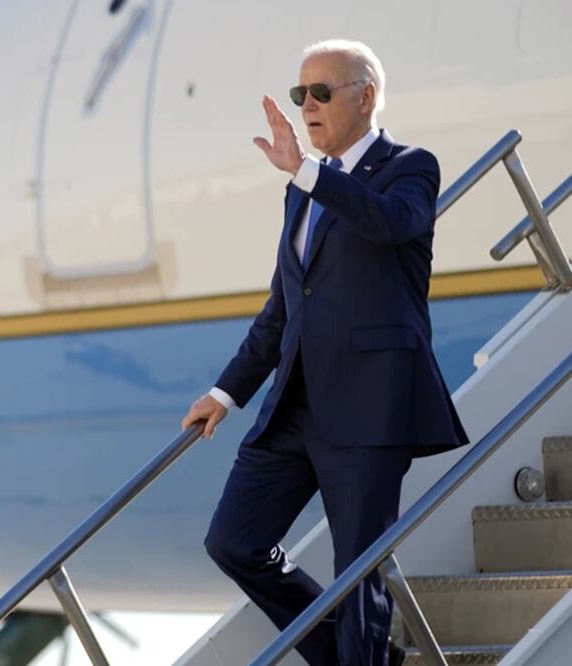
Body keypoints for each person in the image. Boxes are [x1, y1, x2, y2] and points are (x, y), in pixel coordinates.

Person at [181, 39, 469, 666]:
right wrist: (226, 393)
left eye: (321, 92)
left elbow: (391, 223)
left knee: (357, 573)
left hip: (369, 409)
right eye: (299, 93)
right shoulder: (303, 190)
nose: (306, 105)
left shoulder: (410, 166)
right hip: (295, 408)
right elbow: (283, 309)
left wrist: (306, 171)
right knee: (234, 540)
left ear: (366, 97)